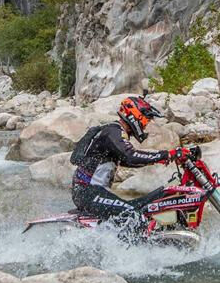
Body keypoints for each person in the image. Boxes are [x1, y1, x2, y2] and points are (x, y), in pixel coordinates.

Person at [70, 94, 190, 231]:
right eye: (146, 119)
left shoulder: (114, 131)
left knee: (142, 210)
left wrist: (160, 159)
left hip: (92, 192)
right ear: (134, 115)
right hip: (88, 193)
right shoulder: (112, 131)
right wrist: (167, 154)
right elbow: (130, 156)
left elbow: (129, 160)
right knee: (132, 214)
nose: (146, 124)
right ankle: (136, 249)